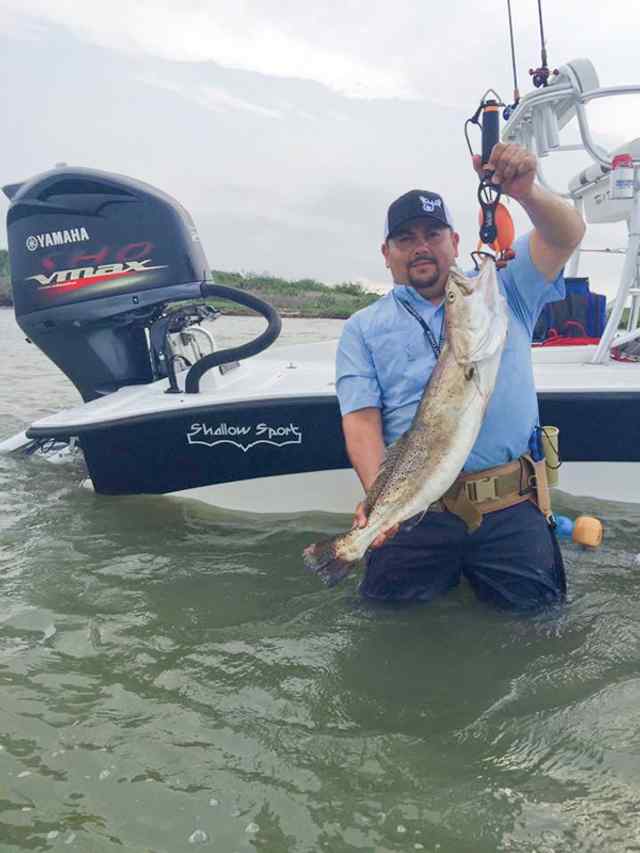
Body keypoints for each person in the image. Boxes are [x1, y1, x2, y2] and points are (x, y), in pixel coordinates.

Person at [335, 143, 586, 611]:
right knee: (385, 630)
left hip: (510, 504)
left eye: (433, 233)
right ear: (386, 254)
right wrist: (379, 502)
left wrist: (528, 192)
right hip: (416, 511)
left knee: (539, 631)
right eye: (405, 239)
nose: (421, 246)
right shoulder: (362, 329)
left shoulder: (501, 289)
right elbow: (362, 422)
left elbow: (566, 234)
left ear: (454, 241)